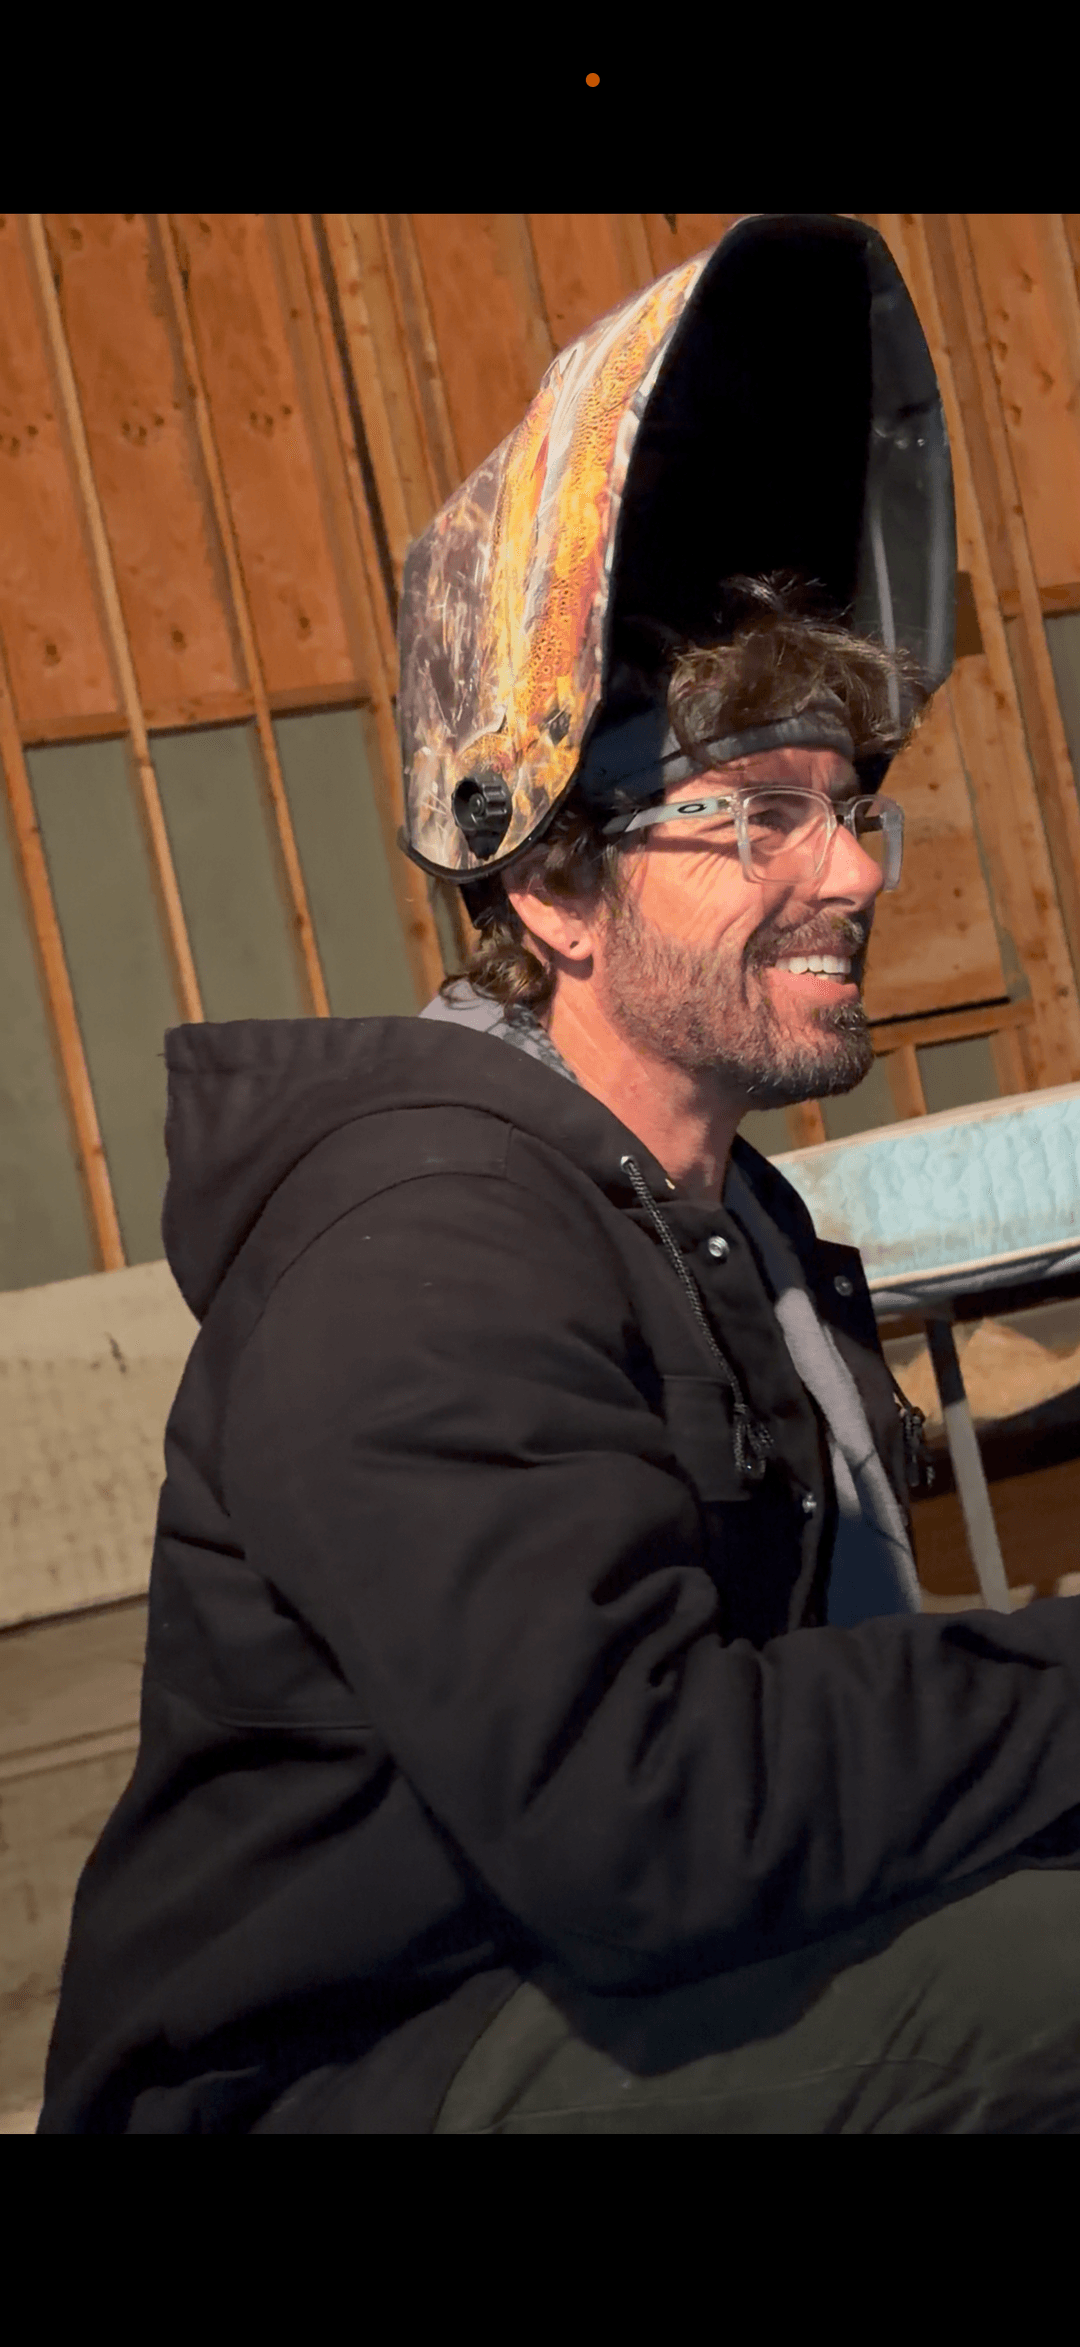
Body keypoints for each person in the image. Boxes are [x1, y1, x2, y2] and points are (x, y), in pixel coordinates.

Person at [38, 216, 1080, 2136]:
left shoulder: (726, 1223)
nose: (851, 873)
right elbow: (651, 1815)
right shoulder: (423, 1251)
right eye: (759, 815)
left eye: (851, 807)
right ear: (552, 886)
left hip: (587, 1978)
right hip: (348, 2064)